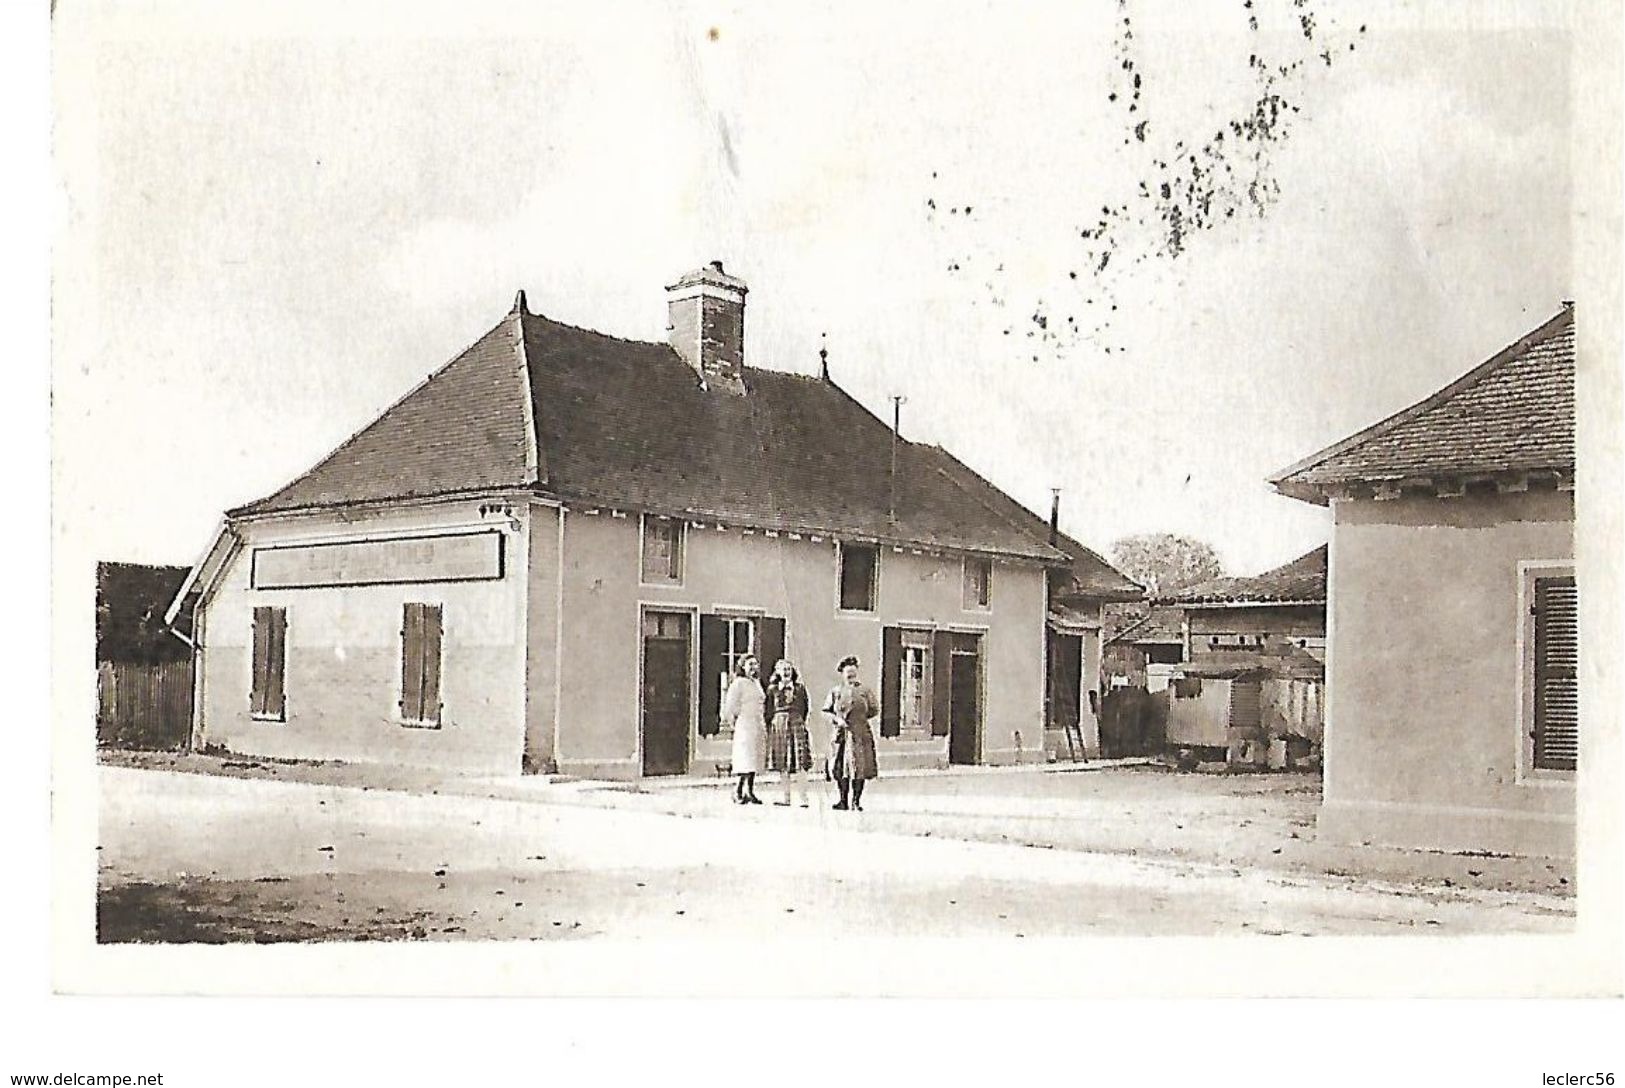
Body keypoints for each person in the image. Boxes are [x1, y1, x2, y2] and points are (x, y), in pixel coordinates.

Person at [823, 655, 879, 811]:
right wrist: (837, 720)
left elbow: (874, 709)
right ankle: (842, 800)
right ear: (843, 675)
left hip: (859, 734)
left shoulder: (865, 691)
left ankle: (856, 801)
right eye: (848, 675)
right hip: (841, 734)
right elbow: (826, 711)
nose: (851, 677)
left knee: (859, 767)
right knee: (840, 767)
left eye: (853, 674)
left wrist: (859, 720)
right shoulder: (835, 691)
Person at [765, 659, 812, 807]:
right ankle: (786, 798)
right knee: (782, 762)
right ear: (777, 672)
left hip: (797, 724)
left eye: (788, 669)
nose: (786, 672)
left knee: (801, 761)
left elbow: (805, 708)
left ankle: (804, 798)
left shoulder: (800, 689)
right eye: (783, 669)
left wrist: (797, 720)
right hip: (779, 726)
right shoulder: (772, 689)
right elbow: (768, 710)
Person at [722, 654, 767, 804]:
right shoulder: (738, 683)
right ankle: (738, 790)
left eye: (755, 664)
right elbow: (730, 706)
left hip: (757, 723)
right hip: (745, 723)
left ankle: (750, 791)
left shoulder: (756, 683)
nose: (754, 668)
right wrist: (734, 722)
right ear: (742, 667)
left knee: (754, 757)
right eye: (750, 665)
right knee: (745, 757)